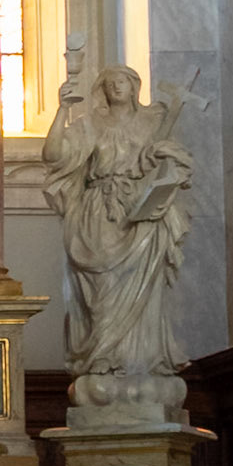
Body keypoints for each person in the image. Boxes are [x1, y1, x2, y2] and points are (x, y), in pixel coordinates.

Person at [42, 63, 192, 383]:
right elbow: (53, 155)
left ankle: (140, 361)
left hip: (141, 212)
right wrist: (62, 110)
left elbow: (175, 160)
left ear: (135, 86)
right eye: (110, 83)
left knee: (144, 288)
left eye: (123, 81)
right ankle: (101, 356)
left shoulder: (154, 120)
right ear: (102, 90)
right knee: (103, 288)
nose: (117, 87)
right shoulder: (89, 125)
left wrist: (166, 165)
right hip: (98, 216)